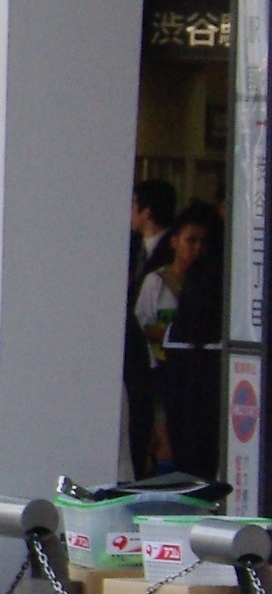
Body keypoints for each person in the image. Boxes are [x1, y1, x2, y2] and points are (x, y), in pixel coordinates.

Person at [143, 202, 225, 478]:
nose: (197, 248)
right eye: (191, 240)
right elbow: (140, 325)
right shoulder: (156, 281)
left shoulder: (213, 285)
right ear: (175, 241)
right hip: (161, 374)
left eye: (203, 242)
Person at [127, 179, 179, 478]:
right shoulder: (131, 246)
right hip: (138, 359)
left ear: (146, 211)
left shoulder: (170, 253)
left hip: (162, 362)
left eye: (134, 206)